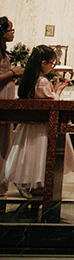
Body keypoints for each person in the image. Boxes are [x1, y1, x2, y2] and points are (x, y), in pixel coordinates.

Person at [5, 45, 74, 199]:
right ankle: (31, 184)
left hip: (29, 126)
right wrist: (57, 92)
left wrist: (54, 90)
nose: (53, 67)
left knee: (29, 154)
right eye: (52, 64)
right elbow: (51, 104)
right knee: (39, 154)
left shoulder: (30, 79)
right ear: (43, 63)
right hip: (42, 126)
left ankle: (32, 184)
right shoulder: (42, 81)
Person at [0, 17, 24, 196]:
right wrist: (12, 72)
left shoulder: (3, 50)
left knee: (5, 141)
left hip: (6, 97)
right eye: (10, 29)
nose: (12, 32)